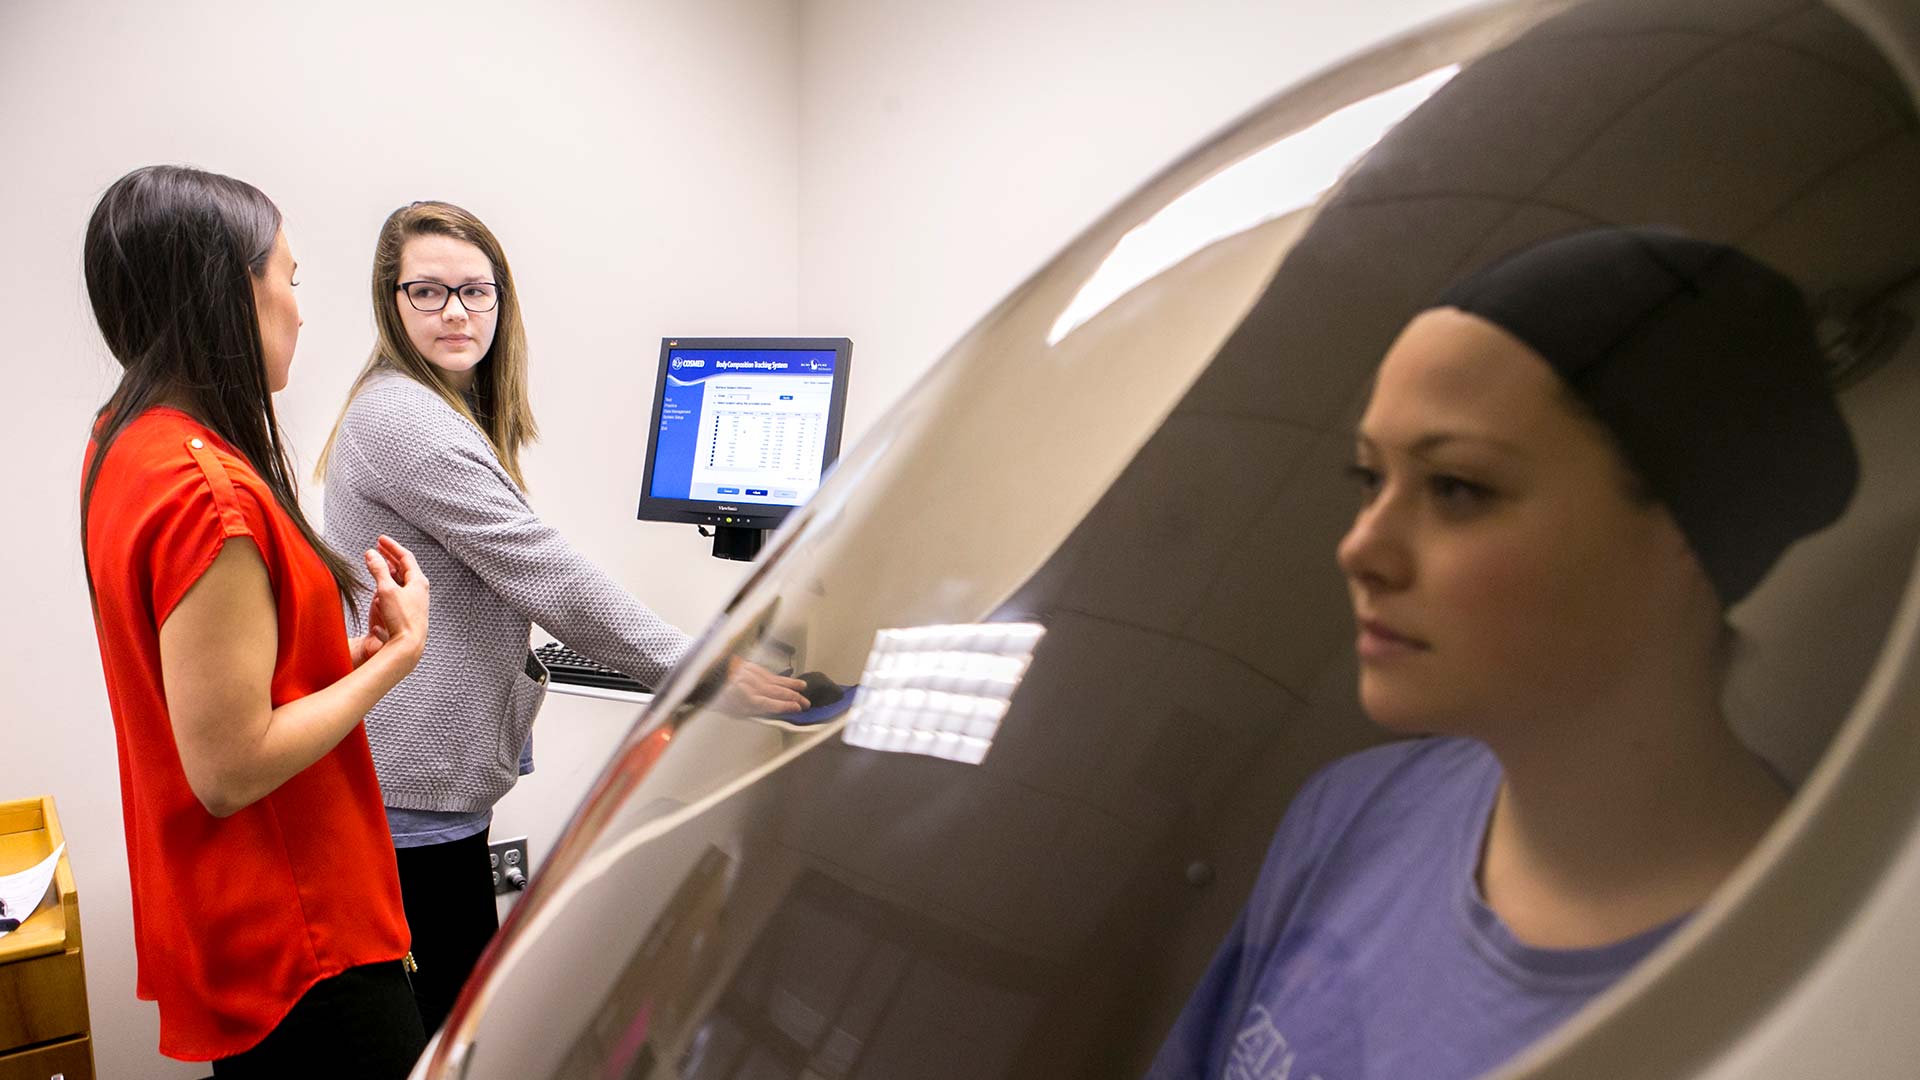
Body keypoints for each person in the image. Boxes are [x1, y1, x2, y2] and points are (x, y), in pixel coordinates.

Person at [1148, 227, 1859, 1080]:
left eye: (1458, 488)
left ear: (1687, 536)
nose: (1359, 549)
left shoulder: (1811, 998)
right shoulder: (1353, 812)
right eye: (1370, 480)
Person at [315, 200, 811, 1033]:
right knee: (456, 1029)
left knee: (457, 1009)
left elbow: (513, 573)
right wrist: (705, 669)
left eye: (476, 291)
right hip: (411, 799)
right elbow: (548, 572)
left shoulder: (431, 407)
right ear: (390, 301)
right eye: (428, 292)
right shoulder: (405, 420)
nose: (456, 313)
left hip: (422, 781)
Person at [79, 165, 433, 1076]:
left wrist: (341, 657)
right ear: (227, 289)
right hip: (303, 943)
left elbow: (221, 688)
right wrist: (396, 660)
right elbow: (229, 768)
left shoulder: (126, 439)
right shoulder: (209, 495)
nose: (301, 310)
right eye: (289, 278)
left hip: (239, 924)